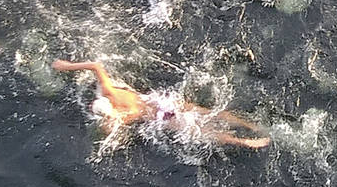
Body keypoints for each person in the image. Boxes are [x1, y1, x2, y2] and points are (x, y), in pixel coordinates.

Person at [51, 59, 271, 149]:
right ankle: (250, 126)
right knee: (208, 112)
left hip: (160, 118)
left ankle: (242, 141)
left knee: (202, 132)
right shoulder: (109, 91)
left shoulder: (121, 116)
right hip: (161, 100)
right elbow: (96, 66)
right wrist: (67, 65)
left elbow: (111, 133)